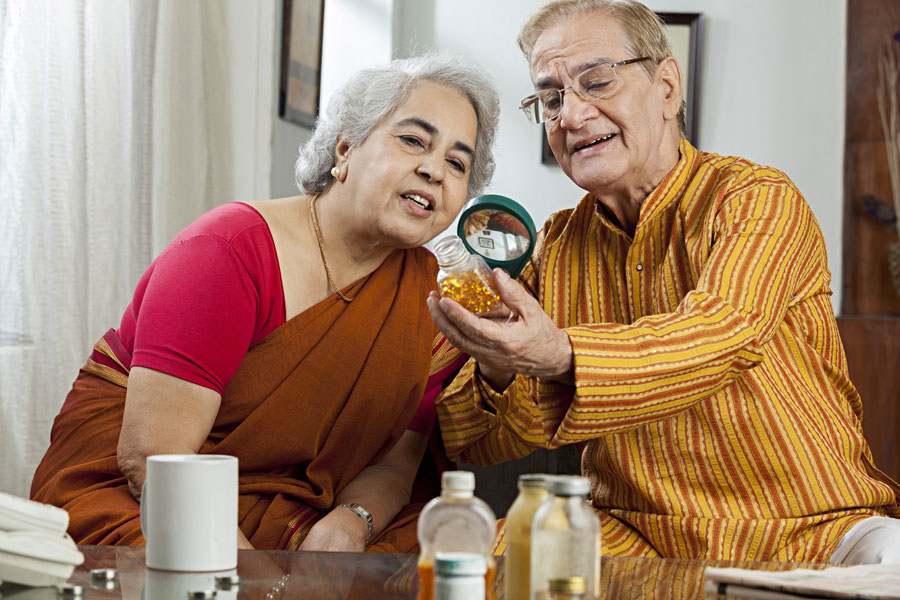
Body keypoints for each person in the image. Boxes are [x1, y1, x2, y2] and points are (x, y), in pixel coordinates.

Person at [427, 0, 900, 564]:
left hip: (813, 529)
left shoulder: (756, 198)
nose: (572, 116)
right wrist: (500, 364)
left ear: (668, 88)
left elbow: (723, 333)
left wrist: (559, 354)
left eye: (596, 82)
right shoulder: (554, 248)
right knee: (475, 561)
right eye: (550, 99)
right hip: (635, 536)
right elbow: (479, 443)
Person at [31, 51, 500, 552]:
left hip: (300, 508)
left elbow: (392, 466)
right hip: (145, 496)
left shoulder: (433, 296)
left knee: (456, 550)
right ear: (345, 148)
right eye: (412, 141)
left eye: (457, 162)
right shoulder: (228, 251)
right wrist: (244, 574)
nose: (434, 170)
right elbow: (153, 458)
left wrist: (350, 523)